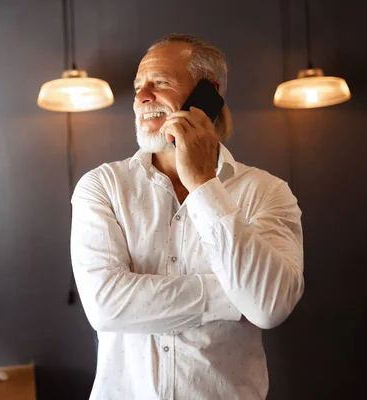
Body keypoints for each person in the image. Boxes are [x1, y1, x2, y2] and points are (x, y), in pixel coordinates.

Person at [70, 33, 304, 400]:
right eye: (138, 87)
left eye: (160, 83)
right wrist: (234, 297)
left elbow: (270, 306)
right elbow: (106, 306)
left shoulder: (267, 192)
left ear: (206, 94)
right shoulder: (102, 187)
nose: (142, 97)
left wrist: (204, 185)